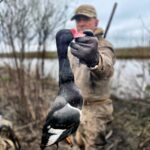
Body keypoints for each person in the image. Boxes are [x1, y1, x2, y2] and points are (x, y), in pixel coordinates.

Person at [69, 4, 116, 150]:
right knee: (77, 144)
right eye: (78, 20)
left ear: (96, 22)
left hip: (97, 110)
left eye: (86, 19)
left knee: (94, 147)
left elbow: (107, 68)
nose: (81, 23)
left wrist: (94, 59)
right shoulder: (74, 47)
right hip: (78, 107)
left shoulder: (104, 45)